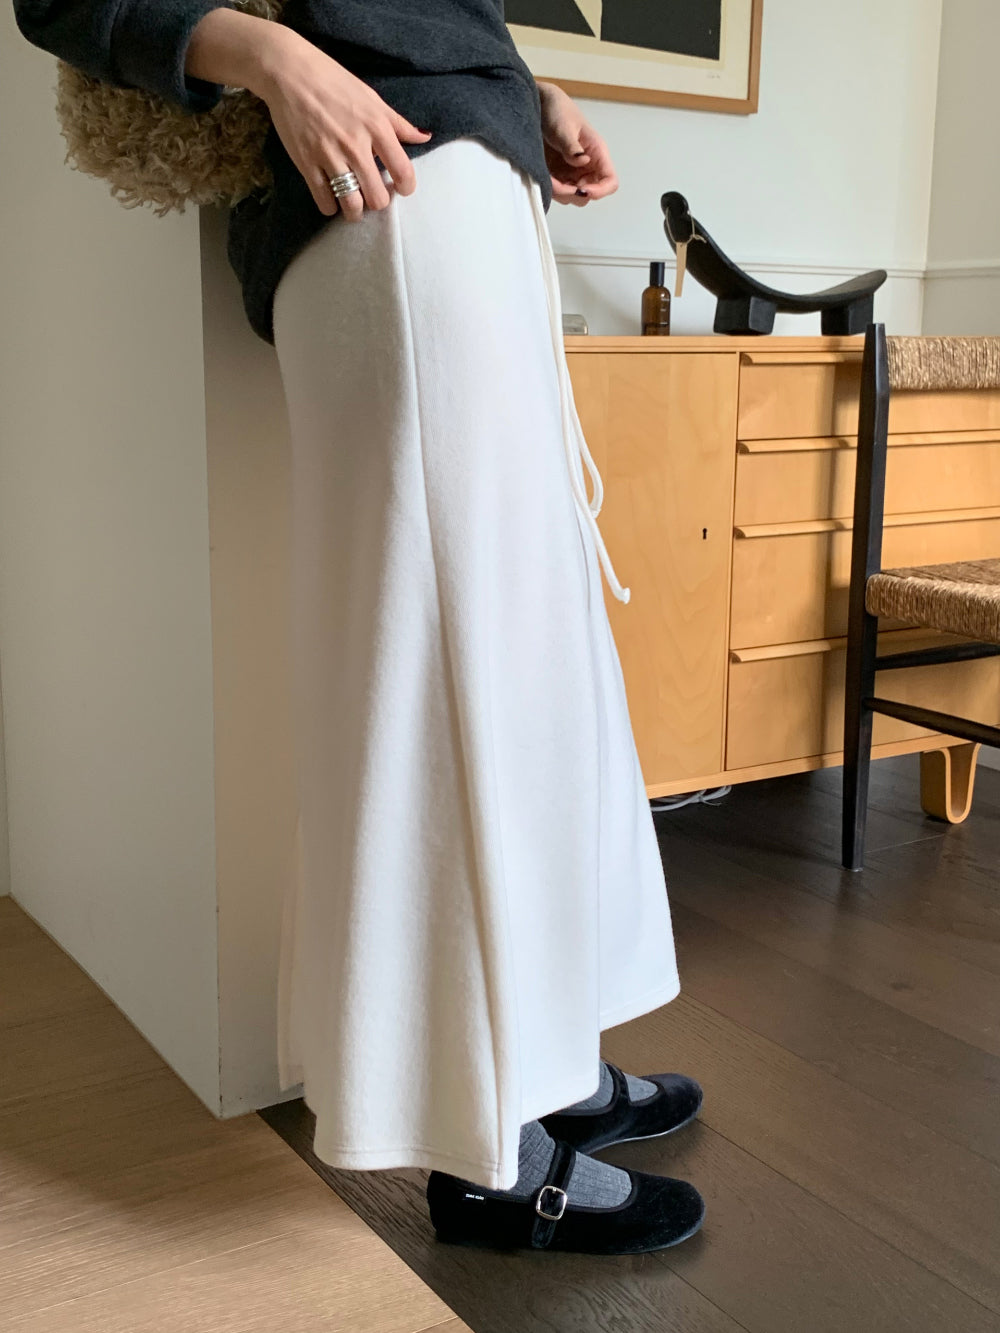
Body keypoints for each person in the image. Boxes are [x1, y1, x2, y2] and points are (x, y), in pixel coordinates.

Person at [13, 0, 706, 1255]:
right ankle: (489, 1154)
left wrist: (521, 91)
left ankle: (545, 1067)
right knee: (446, 682)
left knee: (526, 676)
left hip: (465, 185)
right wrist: (275, 61)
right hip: (389, 206)